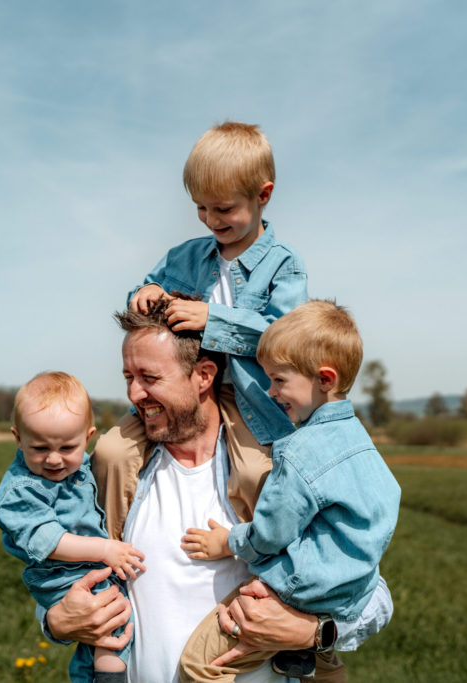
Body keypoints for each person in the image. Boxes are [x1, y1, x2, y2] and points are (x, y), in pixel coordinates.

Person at [37, 302, 394, 682]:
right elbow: (58, 566)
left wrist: (313, 632)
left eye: (150, 377)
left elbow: (374, 593)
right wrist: (56, 620)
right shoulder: (112, 473)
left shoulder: (276, 471)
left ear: (204, 375)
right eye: (128, 377)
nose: (134, 394)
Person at [93, 121, 309, 542]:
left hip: (251, 402)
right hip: (182, 390)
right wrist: (146, 291)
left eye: (223, 209)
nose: (211, 220)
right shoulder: (186, 256)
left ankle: (258, 560)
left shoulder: (284, 265)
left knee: (254, 472)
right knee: (111, 451)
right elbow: (146, 287)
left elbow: (286, 342)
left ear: (262, 195)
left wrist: (213, 319)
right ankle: (109, 551)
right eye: (200, 208)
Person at [179, 301, 401, 682]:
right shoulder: (360, 441)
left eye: (279, 380)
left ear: (325, 379)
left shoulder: (300, 450)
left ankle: (296, 649)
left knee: (198, 666)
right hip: (351, 592)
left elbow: (270, 533)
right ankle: (306, 657)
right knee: (321, 668)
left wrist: (227, 541)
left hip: (299, 590)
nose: (271, 391)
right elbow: (388, 501)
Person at [0, 372, 146, 683]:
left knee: (103, 627)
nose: (53, 459)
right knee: (110, 618)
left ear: (87, 438)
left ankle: (88, 674)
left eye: (66, 448)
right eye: (39, 448)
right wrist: (105, 549)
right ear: (18, 438)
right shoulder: (20, 491)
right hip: (59, 572)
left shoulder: (82, 464)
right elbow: (51, 542)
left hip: (82, 564)